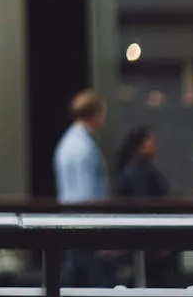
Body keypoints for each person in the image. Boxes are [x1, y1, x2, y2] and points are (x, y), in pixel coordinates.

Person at [53, 89, 111, 286]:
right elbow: (87, 194)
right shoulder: (84, 148)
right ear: (95, 114)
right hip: (85, 225)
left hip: (70, 220)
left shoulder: (66, 143)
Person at [115, 126, 175, 285]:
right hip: (147, 240)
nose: (154, 144)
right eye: (150, 141)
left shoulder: (144, 169)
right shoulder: (137, 172)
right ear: (140, 145)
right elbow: (144, 204)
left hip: (149, 240)